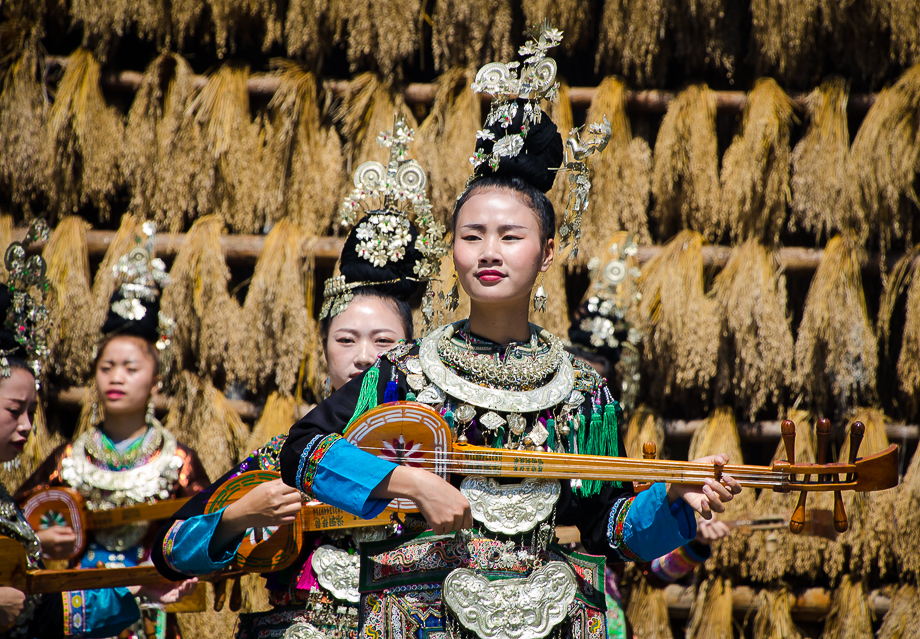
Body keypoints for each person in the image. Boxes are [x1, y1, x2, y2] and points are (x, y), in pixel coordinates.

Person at [275, 25, 742, 639]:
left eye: (510, 236)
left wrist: (676, 501)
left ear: (547, 253)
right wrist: (408, 481)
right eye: (472, 236)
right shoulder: (403, 372)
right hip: (423, 616)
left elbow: (609, 525)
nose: (488, 252)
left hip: (548, 618)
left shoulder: (582, 389)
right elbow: (303, 453)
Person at [151, 125, 428, 639]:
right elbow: (170, 550)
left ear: (412, 352)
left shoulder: (442, 452)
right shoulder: (285, 457)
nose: (366, 359)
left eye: (384, 344)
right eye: (346, 340)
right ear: (322, 352)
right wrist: (238, 516)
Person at [0, 228, 195, 638]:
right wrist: (41, 537)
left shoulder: (177, 460)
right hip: (74, 603)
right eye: (107, 368)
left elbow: (203, 525)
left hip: (147, 605)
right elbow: (22, 520)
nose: (116, 378)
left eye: (131, 368)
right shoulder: (69, 457)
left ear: (156, 380)